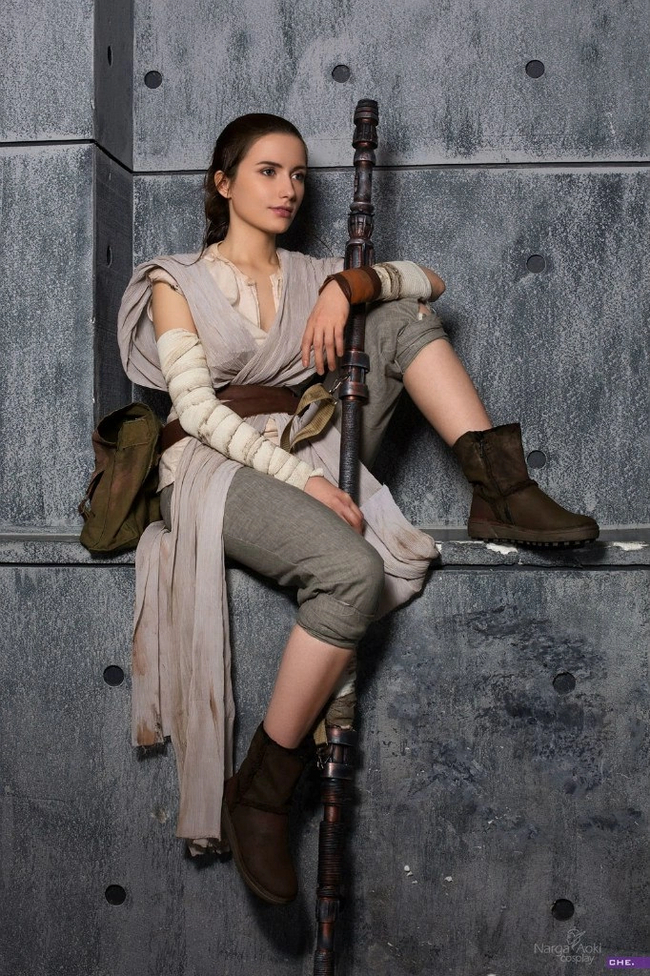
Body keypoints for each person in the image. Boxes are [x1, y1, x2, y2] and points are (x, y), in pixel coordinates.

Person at [117, 113, 598, 906]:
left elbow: (430, 281)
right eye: (268, 171)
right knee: (350, 571)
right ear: (223, 182)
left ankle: (499, 487)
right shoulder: (177, 280)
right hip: (212, 462)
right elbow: (196, 412)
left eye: (299, 175)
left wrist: (347, 287)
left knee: (401, 316)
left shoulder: (312, 273)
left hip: (307, 438)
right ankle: (263, 787)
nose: (288, 189)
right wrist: (303, 482)